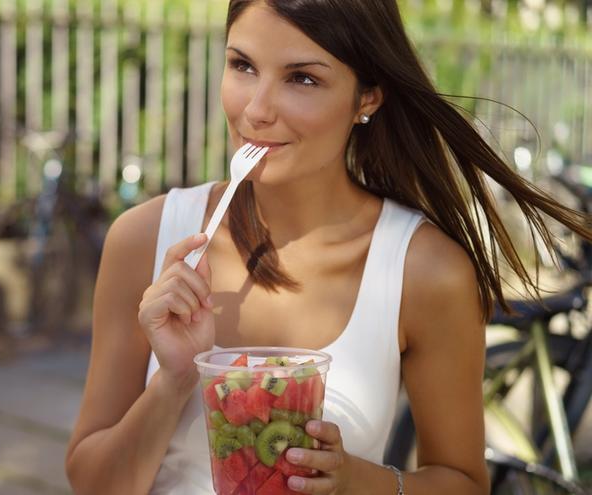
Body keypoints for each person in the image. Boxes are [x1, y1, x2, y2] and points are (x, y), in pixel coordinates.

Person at [65, 1, 590, 494]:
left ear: (367, 97)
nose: (256, 109)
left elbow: (462, 481)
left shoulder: (425, 272)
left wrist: (357, 481)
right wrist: (174, 381)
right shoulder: (145, 240)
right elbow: (92, 483)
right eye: (242, 65)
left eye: (302, 78)